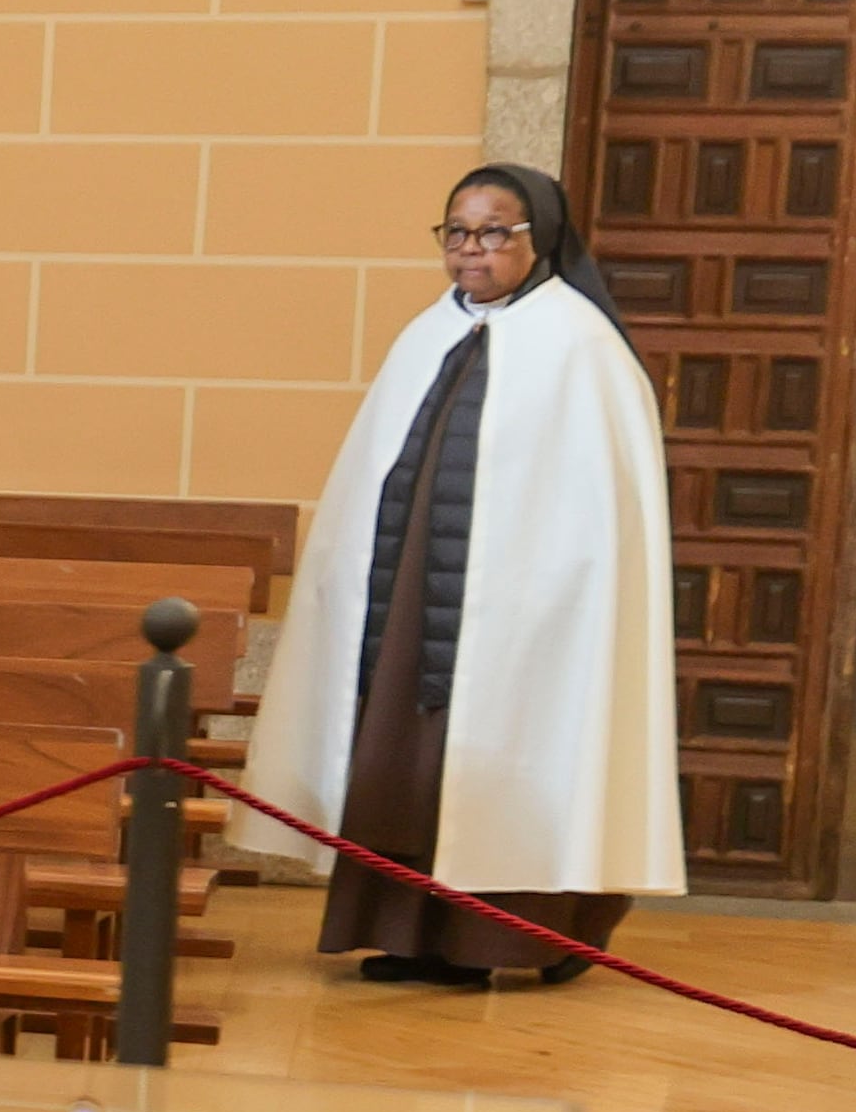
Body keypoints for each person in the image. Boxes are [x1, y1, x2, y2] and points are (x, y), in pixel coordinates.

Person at [244, 164, 682, 985]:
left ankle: (510, 941)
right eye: (456, 232)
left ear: (537, 238)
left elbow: (596, 521)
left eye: (492, 232)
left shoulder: (582, 346)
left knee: (513, 768)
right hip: (408, 609)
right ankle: (407, 935)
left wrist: (546, 603)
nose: (469, 250)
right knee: (399, 766)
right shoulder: (425, 333)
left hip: (524, 626)